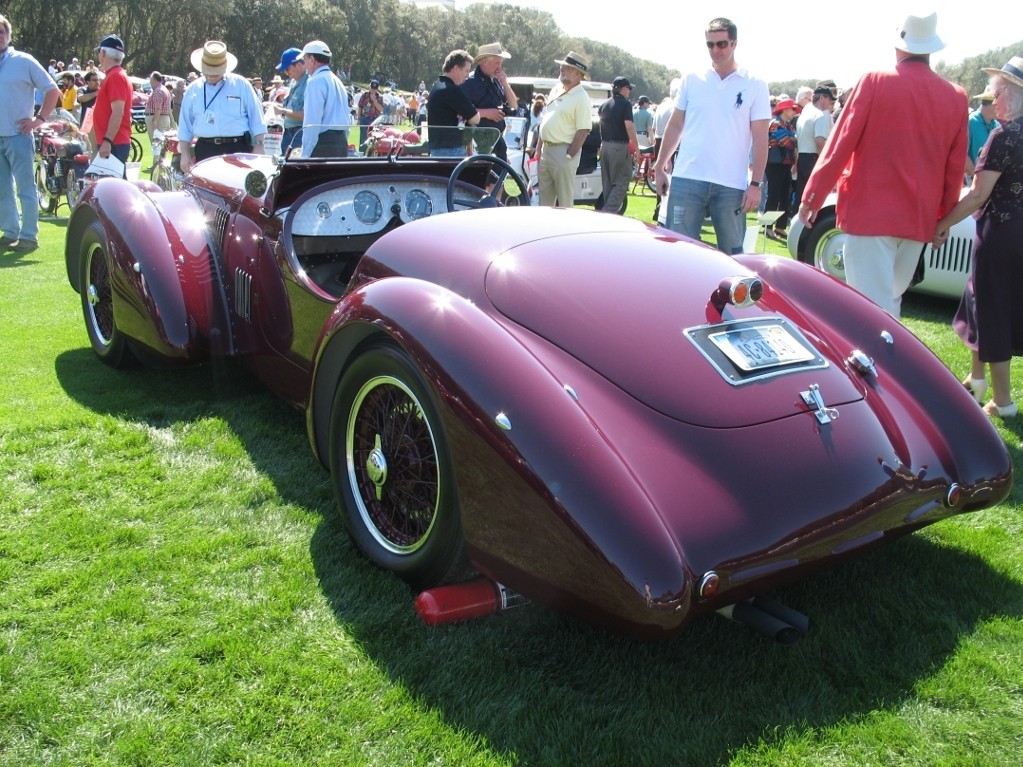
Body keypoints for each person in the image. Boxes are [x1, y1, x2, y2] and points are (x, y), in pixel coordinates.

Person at [797, 12, 967, 318]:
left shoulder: (874, 82)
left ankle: (874, 365)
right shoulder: (955, 97)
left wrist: (813, 197)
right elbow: (954, 169)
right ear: (930, 48)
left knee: (870, 310)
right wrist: (944, 217)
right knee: (891, 303)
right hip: (917, 219)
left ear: (899, 47)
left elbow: (839, 145)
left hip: (871, 213)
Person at [933, 58, 1023, 419]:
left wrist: (941, 223)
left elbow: (977, 195)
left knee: (993, 309)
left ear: (1013, 96)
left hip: (1000, 232)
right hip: (1015, 231)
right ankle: (977, 377)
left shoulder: (1004, 135)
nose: (993, 100)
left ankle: (1003, 403)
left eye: (998, 94)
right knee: (977, 296)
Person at [653, 18, 770, 255]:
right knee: (679, 254)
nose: (715, 50)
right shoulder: (692, 79)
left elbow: (760, 137)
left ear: (734, 43)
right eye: (710, 44)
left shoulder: (755, 84)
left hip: (731, 184)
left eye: (722, 44)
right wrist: (659, 165)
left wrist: (756, 183)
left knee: (733, 257)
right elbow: (676, 125)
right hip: (687, 178)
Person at [0, 13, 60, 253]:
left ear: (8, 35)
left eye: (2, 32)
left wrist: (39, 119)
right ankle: (10, 231)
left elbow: (52, 89)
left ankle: (29, 236)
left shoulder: (23, 61)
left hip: (18, 136)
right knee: (3, 189)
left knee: (25, 187)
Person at [177, 40, 266, 173]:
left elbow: (257, 118)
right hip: (206, 149)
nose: (212, 76)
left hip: (237, 149)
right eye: (208, 72)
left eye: (215, 72)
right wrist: (184, 154)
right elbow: (185, 127)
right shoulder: (192, 90)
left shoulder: (241, 85)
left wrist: (259, 145)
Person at [535, 51, 593, 207]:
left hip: (563, 151)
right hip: (546, 152)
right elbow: (545, 120)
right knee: (544, 203)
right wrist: (538, 149)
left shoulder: (581, 97)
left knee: (565, 203)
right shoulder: (556, 89)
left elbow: (583, 130)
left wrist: (569, 156)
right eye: (563, 65)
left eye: (567, 67)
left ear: (578, 74)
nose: (562, 69)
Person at [461, 42, 518, 161]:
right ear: (484, 61)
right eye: (497, 63)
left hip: (496, 141)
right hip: (478, 143)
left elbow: (514, 105)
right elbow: (461, 112)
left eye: (501, 63)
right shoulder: (469, 82)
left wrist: (505, 84)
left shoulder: (496, 82)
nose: (500, 67)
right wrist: (487, 113)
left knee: (498, 178)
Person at [299, 40, 350, 157]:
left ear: (312, 60)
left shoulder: (315, 82)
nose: (304, 64)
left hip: (323, 144)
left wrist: (305, 154)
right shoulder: (338, 81)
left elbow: (312, 122)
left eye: (305, 60)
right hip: (341, 142)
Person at [425, 50, 480, 157]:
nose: (467, 75)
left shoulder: (436, 87)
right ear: (455, 68)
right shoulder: (451, 90)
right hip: (451, 151)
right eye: (466, 71)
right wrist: (466, 114)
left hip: (437, 150)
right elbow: (475, 118)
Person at [597, 76, 639, 214]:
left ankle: (607, 213)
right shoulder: (626, 104)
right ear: (623, 88)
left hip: (605, 146)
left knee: (607, 184)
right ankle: (607, 213)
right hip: (619, 147)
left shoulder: (604, 105)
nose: (629, 91)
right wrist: (636, 148)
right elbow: (629, 126)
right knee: (622, 181)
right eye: (629, 88)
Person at [92, 34, 133, 174]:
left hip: (114, 143)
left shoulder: (115, 76)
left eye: (99, 52)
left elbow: (117, 112)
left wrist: (107, 141)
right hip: (113, 142)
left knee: (114, 191)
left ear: (103, 53)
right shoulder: (115, 75)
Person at [793, 86, 834, 214]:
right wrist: (824, 161)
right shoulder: (820, 115)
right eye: (830, 100)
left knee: (801, 194)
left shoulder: (804, 115)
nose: (830, 104)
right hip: (813, 158)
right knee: (813, 195)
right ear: (822, 98)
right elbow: (820, 141)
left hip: (802, 157)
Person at [765, 97, 798, 240]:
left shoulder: (788, 125)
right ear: (784, 109)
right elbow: (787, 143)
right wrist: (794, 139)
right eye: (792, 109)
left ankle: (780, 227)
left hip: (785, 165)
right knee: (774, 196)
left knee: (785, 196)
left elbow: (790, 140)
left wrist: (793, 139)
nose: (794, 112)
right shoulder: (776, 124)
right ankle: (767, 227)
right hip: (775, 166)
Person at [273, 47, 307, 156]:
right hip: (288, 133)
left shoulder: (310, 83)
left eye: (287, 68)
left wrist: (282, 111)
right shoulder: (293, 83)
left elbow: (305, 115)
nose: (285, 72)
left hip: (299, 133)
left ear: (299, 65)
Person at [966, 91, 998, 178]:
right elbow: (962, 154)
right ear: (991, 105)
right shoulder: (970, 122)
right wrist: (976, 179)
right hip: (972, 181)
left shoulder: (997, 125)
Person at [144, 71, 173, 150]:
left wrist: (155, 122)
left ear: (154, 80)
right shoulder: (164, 89)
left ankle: (157, 162)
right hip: (163, 118)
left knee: (156, 145)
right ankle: (160, 161)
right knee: (162, 145)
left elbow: (158, 108)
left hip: (157, 118)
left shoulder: (158, 91)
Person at [357, 79, 383, 149]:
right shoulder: (364, 95)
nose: (373, 90)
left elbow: (381, 109)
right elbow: (360, 107)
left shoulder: (380, 97)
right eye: (372, 88)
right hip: (365, 119)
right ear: (369, 87)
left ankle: (371, 155)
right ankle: (362, 153)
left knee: (374, 139)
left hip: (375, 120)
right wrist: (359, 119)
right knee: (363, 138)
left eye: (375, 89)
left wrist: (374, 100)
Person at [77, 70, 102, 138]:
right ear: (88, 82)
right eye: (94, 80)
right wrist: (96, 93)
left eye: (97, 80)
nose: (97, 82)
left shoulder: (102, 90)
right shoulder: (82, 89)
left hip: (99, 123)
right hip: (87, 123)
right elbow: (80, 98)